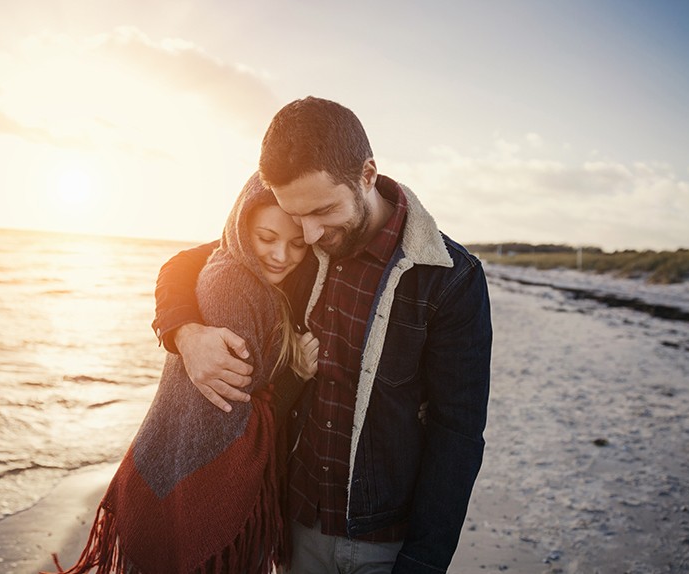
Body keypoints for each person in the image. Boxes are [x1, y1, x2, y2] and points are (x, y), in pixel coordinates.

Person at [151, 96, 492, 573]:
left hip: (385, 542)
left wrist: (424, 561)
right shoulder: (300, 246)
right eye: (297, 216)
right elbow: (187, 264)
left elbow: (457, 432)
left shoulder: (449, 277)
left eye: (324, 211)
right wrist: (186, 334)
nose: (308, 234)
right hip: (296, 525)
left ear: (367, 175)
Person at [53, 173, 319, 574]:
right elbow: (237, 415)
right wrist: (293, 374)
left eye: (297, 244)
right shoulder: (232, 284)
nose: (281, 255)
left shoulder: (278, 275)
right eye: (266, 238)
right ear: (242, 227)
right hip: (205, 506)